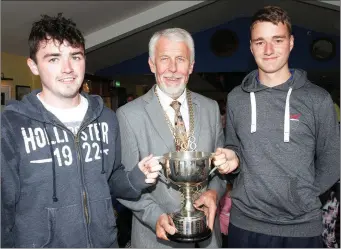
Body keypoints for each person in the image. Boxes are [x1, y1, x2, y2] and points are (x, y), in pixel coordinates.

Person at [1, 13, 162, 248]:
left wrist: (136, 178)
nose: (67, 68)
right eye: (53, 59)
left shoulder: (106, 118)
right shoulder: (12, 124)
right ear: (33, 66)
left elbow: (112, 179)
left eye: (75, 57)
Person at [216, 5, 340, 248]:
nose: (269, 50)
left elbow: (334, 157)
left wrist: (302, 195)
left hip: (301, 228)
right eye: (260, 42)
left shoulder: (317, 98)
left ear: (291, 43)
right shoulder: (236, 98)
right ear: (251, 47)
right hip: (245, 224)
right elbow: (234, 147)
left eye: (277, 40)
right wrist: (231, 159)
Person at [115, 28, 231, 248]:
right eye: (164, 59)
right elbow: (124, 185)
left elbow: (220, 169)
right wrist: (155, 215)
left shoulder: (210, 108)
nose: (173, 68)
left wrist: (214, 193)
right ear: (152, 64)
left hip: (208, 238)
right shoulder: (129, 115)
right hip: (158, 239)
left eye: (180, 59)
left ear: (191, 66)